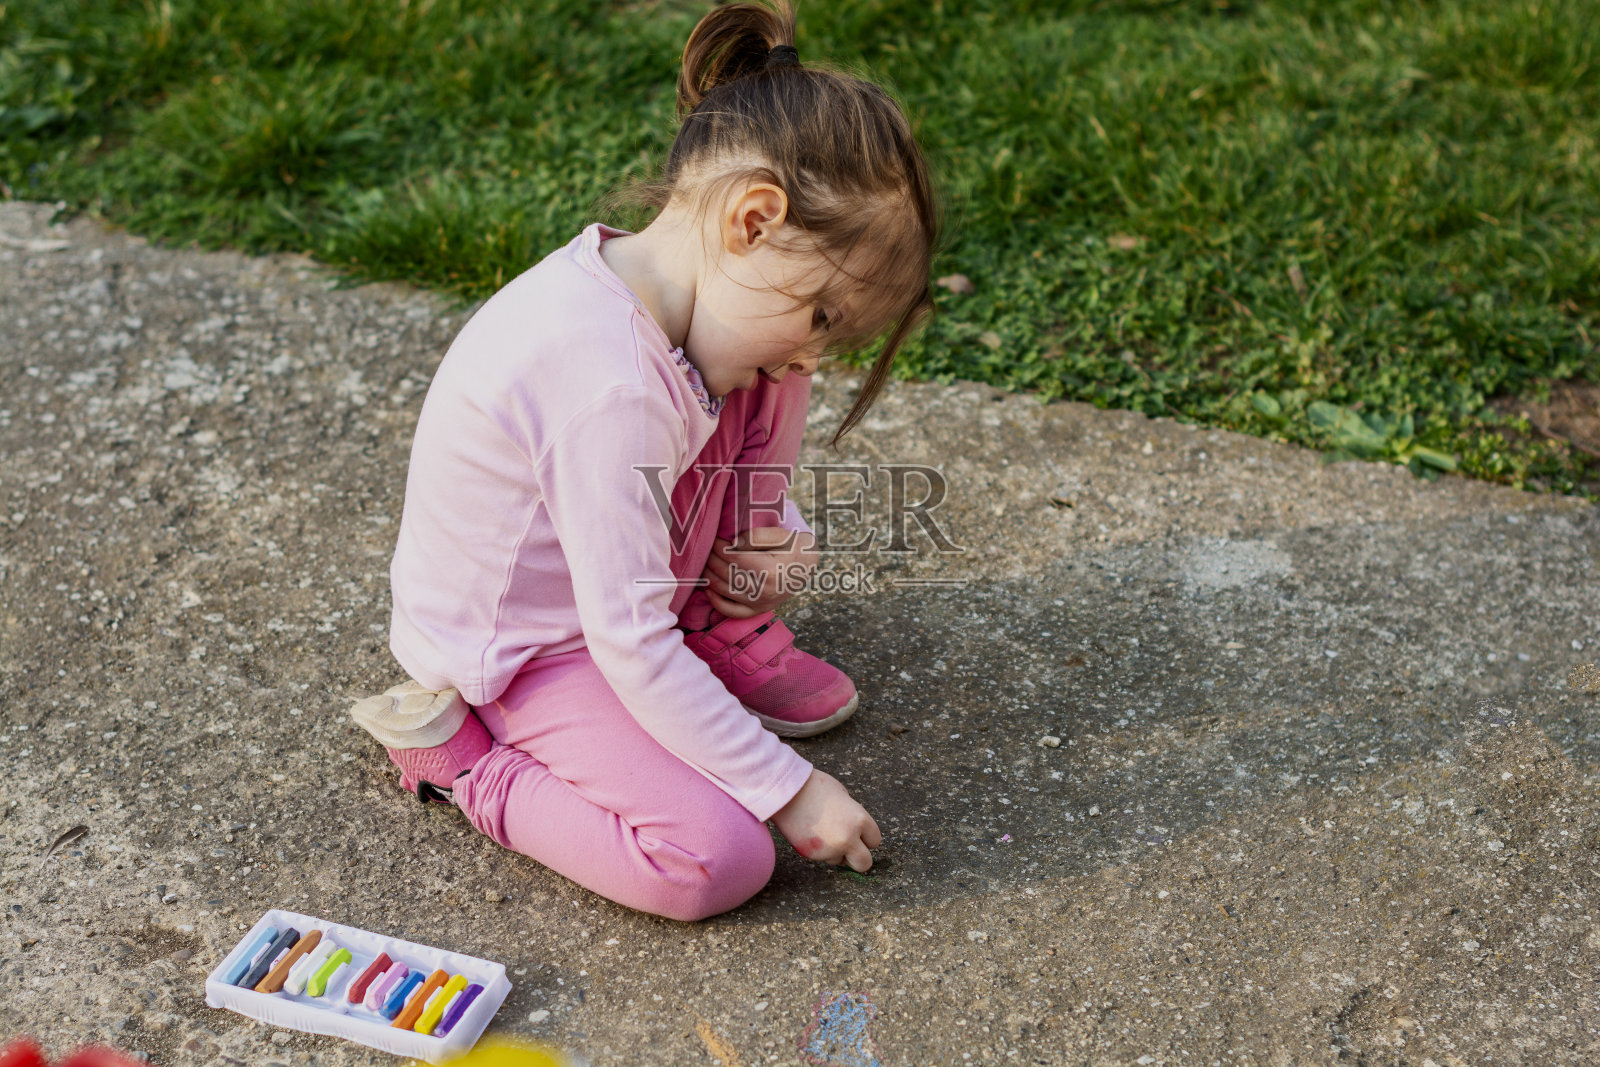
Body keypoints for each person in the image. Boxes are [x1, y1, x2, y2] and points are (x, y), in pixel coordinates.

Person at [350, 0, 938, 922]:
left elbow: (709, 442)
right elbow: (625, 638)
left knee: (770, 371)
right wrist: (789, 787)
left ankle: (715, 629)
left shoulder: (667, 298)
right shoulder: (610, 386)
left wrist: (773, 537)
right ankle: (461, 763)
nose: (818, 355)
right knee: (716, 859)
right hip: (530, 653)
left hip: (611, 590)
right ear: (753, 219)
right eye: (824, 315)